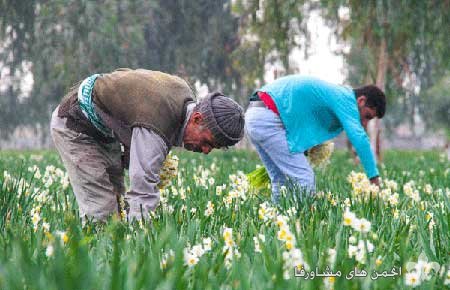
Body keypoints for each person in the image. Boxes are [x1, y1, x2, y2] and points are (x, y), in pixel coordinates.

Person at [51, 68, 244, 221]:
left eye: (213, 148)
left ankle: (114, 264)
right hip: (76, 125)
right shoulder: (158, 122)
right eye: (207, 142)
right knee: (102, 215)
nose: (206, 151)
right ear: (197, 119)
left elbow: (130, 96)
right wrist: (142, 248)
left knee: (118, 208)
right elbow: (142, 191)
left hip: (104, 131)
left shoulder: (182, 94)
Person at [245, 75, 386, 203]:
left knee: (280, 180)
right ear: (361, 101)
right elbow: (360, 139)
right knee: (304, 178)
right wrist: (374, 180)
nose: (364, 123)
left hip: (255, 113)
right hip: (268, 118)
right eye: (367, 116)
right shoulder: (346, 100)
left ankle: (276, 222)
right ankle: (299, 225)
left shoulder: (338, 95)